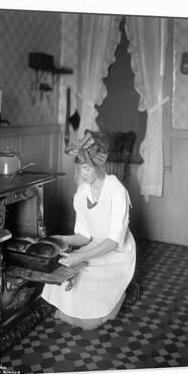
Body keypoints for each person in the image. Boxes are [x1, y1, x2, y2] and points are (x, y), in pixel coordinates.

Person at [41, 131, 136, 331]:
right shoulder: (81, 193)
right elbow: (84, 236)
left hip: (117, 252)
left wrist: (79, 257)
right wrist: (58, 239)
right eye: (80, 169)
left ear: (98, 166)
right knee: (64, 280)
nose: (83, 174)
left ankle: (120, 296)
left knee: (89, 323)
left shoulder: (116, 190)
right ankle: (83, 309)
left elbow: (112, 241)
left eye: (87, 168)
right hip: (94, 247)